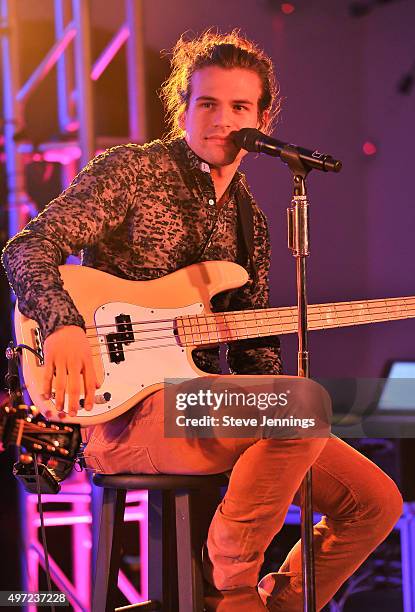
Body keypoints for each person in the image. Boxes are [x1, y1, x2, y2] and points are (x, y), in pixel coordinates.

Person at [2, 30, 403, 611]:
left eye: (239, 106)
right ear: (183, 110)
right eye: (207, 104)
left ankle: (280, 603)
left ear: (261, 118)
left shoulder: (252, 220)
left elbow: (254, 354)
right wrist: (62, 324)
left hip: (206, 408)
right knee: (301, 403)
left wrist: (285, 412)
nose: (221, 119)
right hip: (126, 413)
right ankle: (233, 587)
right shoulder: (134, 172)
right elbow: (28, 248)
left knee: (376, 502)